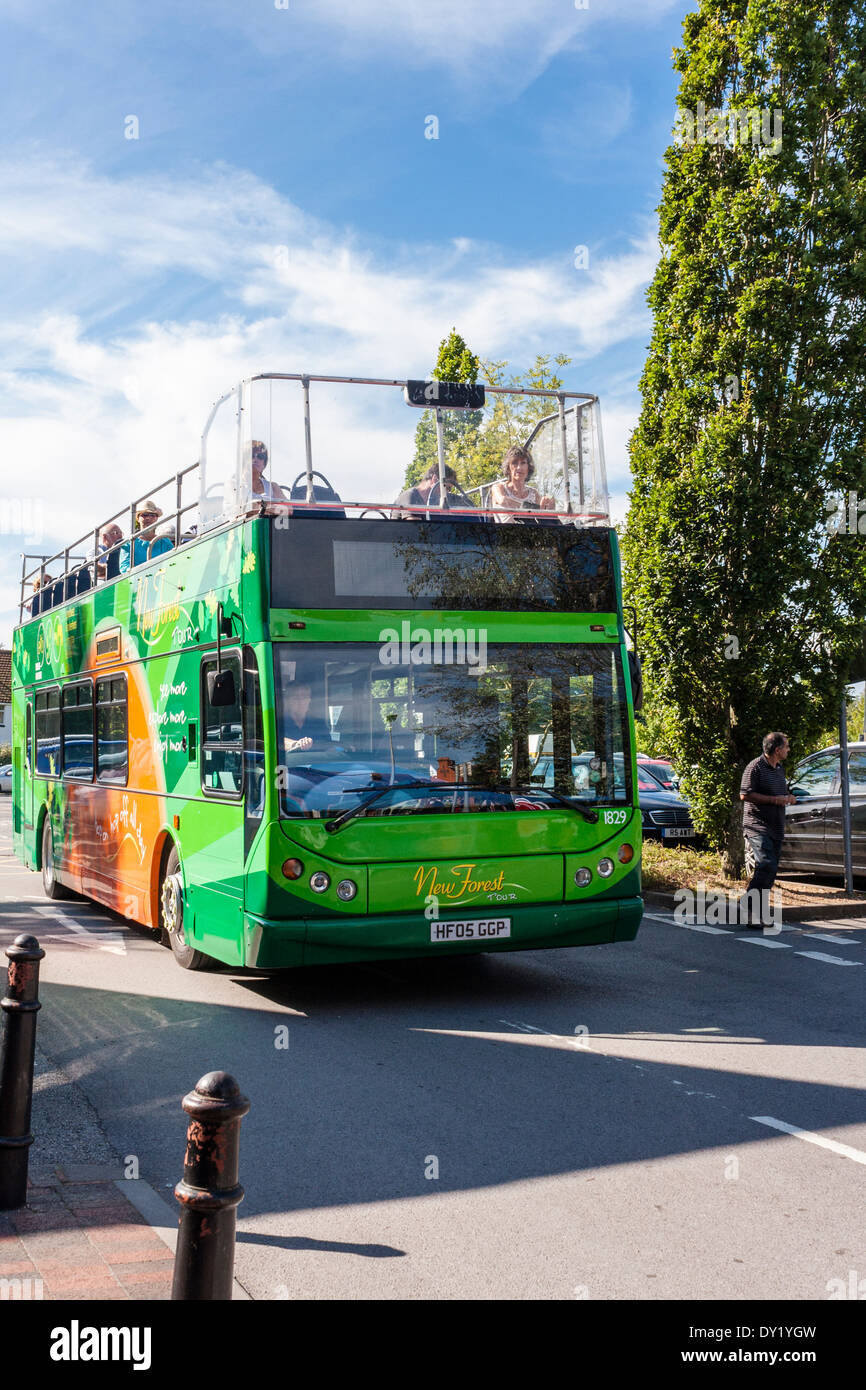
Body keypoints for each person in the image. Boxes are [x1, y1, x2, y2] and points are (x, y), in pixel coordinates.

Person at [739, 732, 796, 926]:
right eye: (786, 747)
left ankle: (755, 913)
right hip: (757, 825)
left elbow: (780, 793)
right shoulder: (755, 767)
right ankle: (748, 907)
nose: (788, 750)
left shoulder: (779, 769)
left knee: (770, 871)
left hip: (776, 826)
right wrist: (774, 800)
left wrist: (788, 797)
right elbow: (745, 794)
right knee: (765, 865)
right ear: (777, 749)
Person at [488, 446, 554, 521]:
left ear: (528, 467)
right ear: (508, 468)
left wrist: (549, 505)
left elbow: (541, 515)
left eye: (523, 463)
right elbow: (503, 501)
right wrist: (529, 508)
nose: (519, 468)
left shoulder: (534, 493)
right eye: (514, 463)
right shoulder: (499, 487)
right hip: (503, 531)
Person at [391, 462, 475, 519]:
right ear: (435, 479)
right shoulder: (410, 496)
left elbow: (472, 509)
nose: (448, 492)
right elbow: (416, 531)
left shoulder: (440, 499)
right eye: (447, 487)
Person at [119, 501, 174, 572]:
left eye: (152, 515)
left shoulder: (164, 541)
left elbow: (173, 562)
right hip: (138, 581)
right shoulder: (129, 543)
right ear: (138, 518)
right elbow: (124, 568)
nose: (148, 518)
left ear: (156, 519)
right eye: (144, 515)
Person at [281, 681, 332, 754]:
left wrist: (345, 745)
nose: (301, 702)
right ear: (287, 701)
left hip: (316, 764)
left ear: (309, 700)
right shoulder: (279, 723)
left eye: (304, 697)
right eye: (296, 698)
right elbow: (274, 740)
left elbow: (328, 745)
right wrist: (296, 744)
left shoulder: (319, 723)